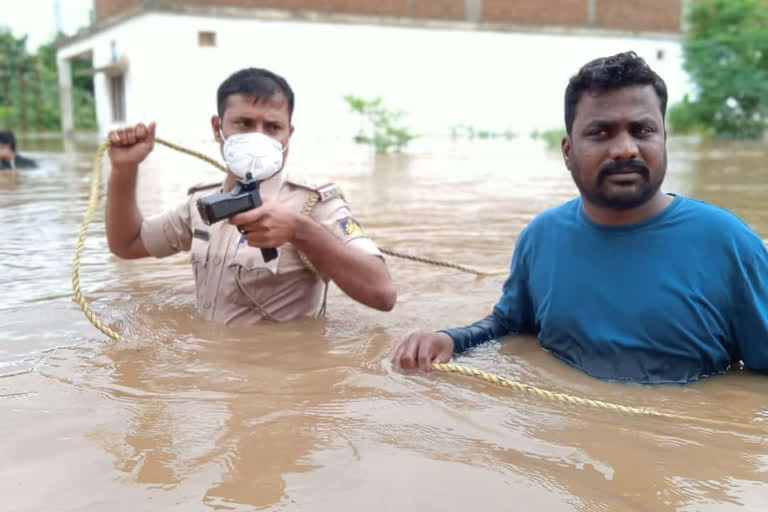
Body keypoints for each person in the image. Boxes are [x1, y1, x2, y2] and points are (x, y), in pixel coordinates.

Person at [393, 51, 768, 384]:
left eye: (642, 130)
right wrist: (451, 340)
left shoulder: (728, 245)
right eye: (600, 133)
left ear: (664, 140)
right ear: (568, 151)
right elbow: (511, 325)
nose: (624, 149)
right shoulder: (541, 238)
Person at [105, 67, 396, 325]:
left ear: (289, 133)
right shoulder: (202, 202)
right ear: (218, 129)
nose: (259, 137)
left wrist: (299, 230)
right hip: (211, 374)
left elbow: (382, 294)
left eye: (273, 127)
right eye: (244, 124)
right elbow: (127, 244)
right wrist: (124, 169)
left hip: (279, 379)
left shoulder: (314, 202)